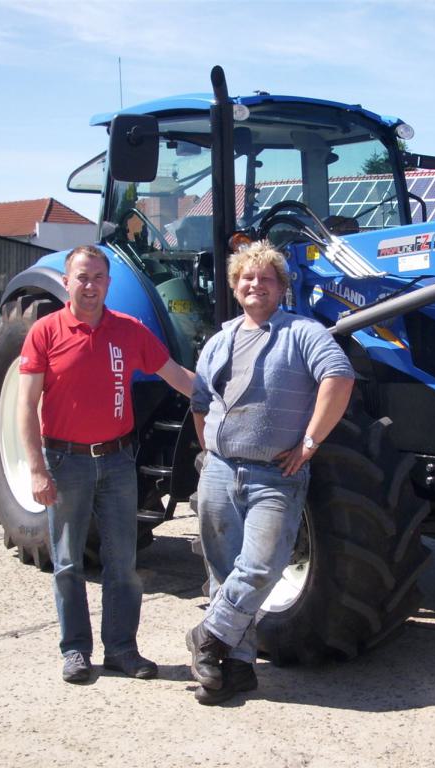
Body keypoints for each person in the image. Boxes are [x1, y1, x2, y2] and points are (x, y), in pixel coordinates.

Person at [17, 244, 196, 684]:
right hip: (66, 462)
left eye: (98, 278)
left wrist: (227, 396)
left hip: (117, 461)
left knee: (123, 564)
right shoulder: (45, 332)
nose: (90, 286)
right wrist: (37, 469)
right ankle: (76, 650)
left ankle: (121, 650)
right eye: (82, 277)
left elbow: (175, 375)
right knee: (68, 564)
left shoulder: (129, 330)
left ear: (108, 284)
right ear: (66, 282)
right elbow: (26, 405)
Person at [187, 240, 355, 705]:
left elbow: (339, 377)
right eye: (247, 277)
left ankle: (207, 635)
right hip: (220, 471)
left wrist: (310, 442)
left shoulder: (303, 332)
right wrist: (210, 453)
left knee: (262, 567)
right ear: (234, 285)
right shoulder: (219, 341)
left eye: (266, 278)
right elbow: (200, 402)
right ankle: (235, 669)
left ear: (282, 287)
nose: (255, 285)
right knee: (224, 572)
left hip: (274, 476)